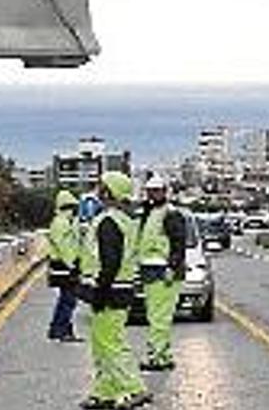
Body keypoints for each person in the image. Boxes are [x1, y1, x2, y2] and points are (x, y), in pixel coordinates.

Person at [77, 172, 151, 410]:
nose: (98, 191)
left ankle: (133, 388)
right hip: (119, 289)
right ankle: (104, 392)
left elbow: (110, 262)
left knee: (111, 344)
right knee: (101, 345)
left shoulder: (108, 221)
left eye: (102, 187)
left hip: (110, 292)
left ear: (110, 191)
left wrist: (99, 292)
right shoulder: (125, 220)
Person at [137, 175, 186, 372]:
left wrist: (172, 267)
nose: (152, 194)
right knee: (157, 316)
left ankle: (157, 357)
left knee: (159, 317)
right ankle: (163, 355)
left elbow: (178, 243)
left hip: (163, 271)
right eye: (150, 191)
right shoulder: (150, 213)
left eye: (156, 190)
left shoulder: (171, 214)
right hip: (150, 270)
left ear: (165, 191)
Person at [47, 189, 84, 342]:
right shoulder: (61, 223)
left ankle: (57, 329)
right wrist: (73, 264)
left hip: (63, 266)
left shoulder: (65, 221)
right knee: (69, 299)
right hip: (64, 266)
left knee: (66, 299)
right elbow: (63, 246)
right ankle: (62, 330)